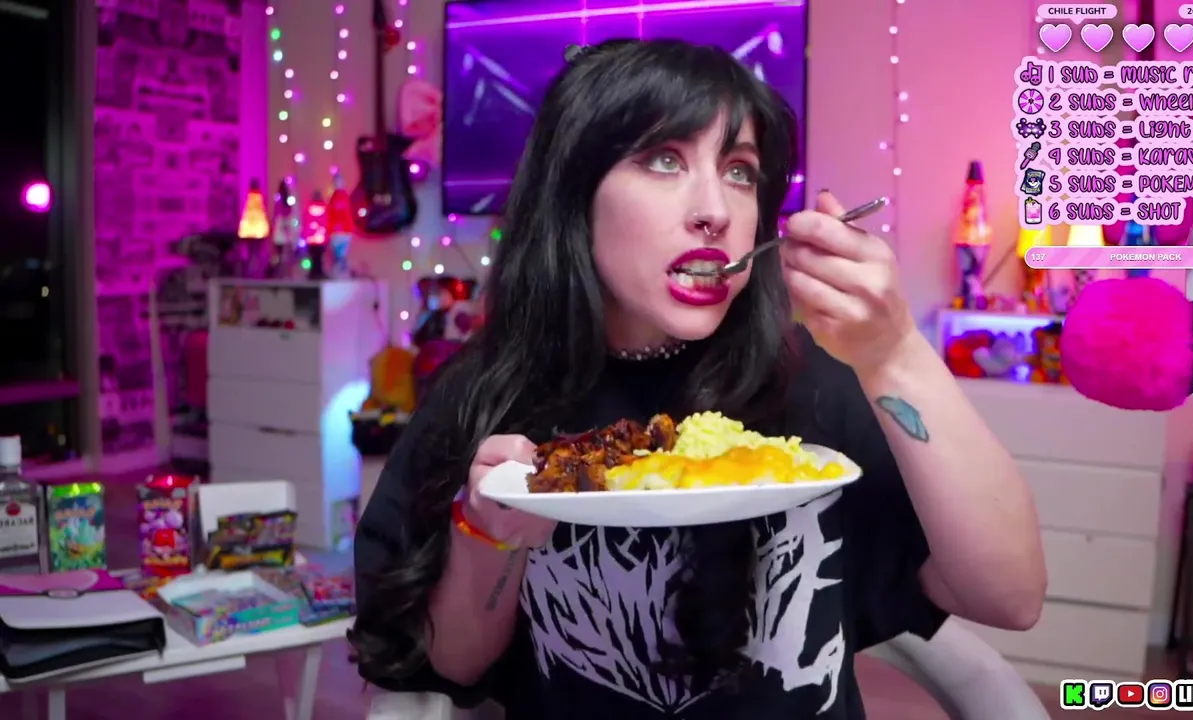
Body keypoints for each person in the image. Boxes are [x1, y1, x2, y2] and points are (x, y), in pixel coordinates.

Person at [351, 38, 1046, 720]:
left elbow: (1010, 598)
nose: (715, 209)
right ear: (575, 193)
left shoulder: (814, 381)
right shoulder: (483, 393)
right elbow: (455, 667)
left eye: (740, 171)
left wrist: (893, 352)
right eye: (664, 159)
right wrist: (491, 534)